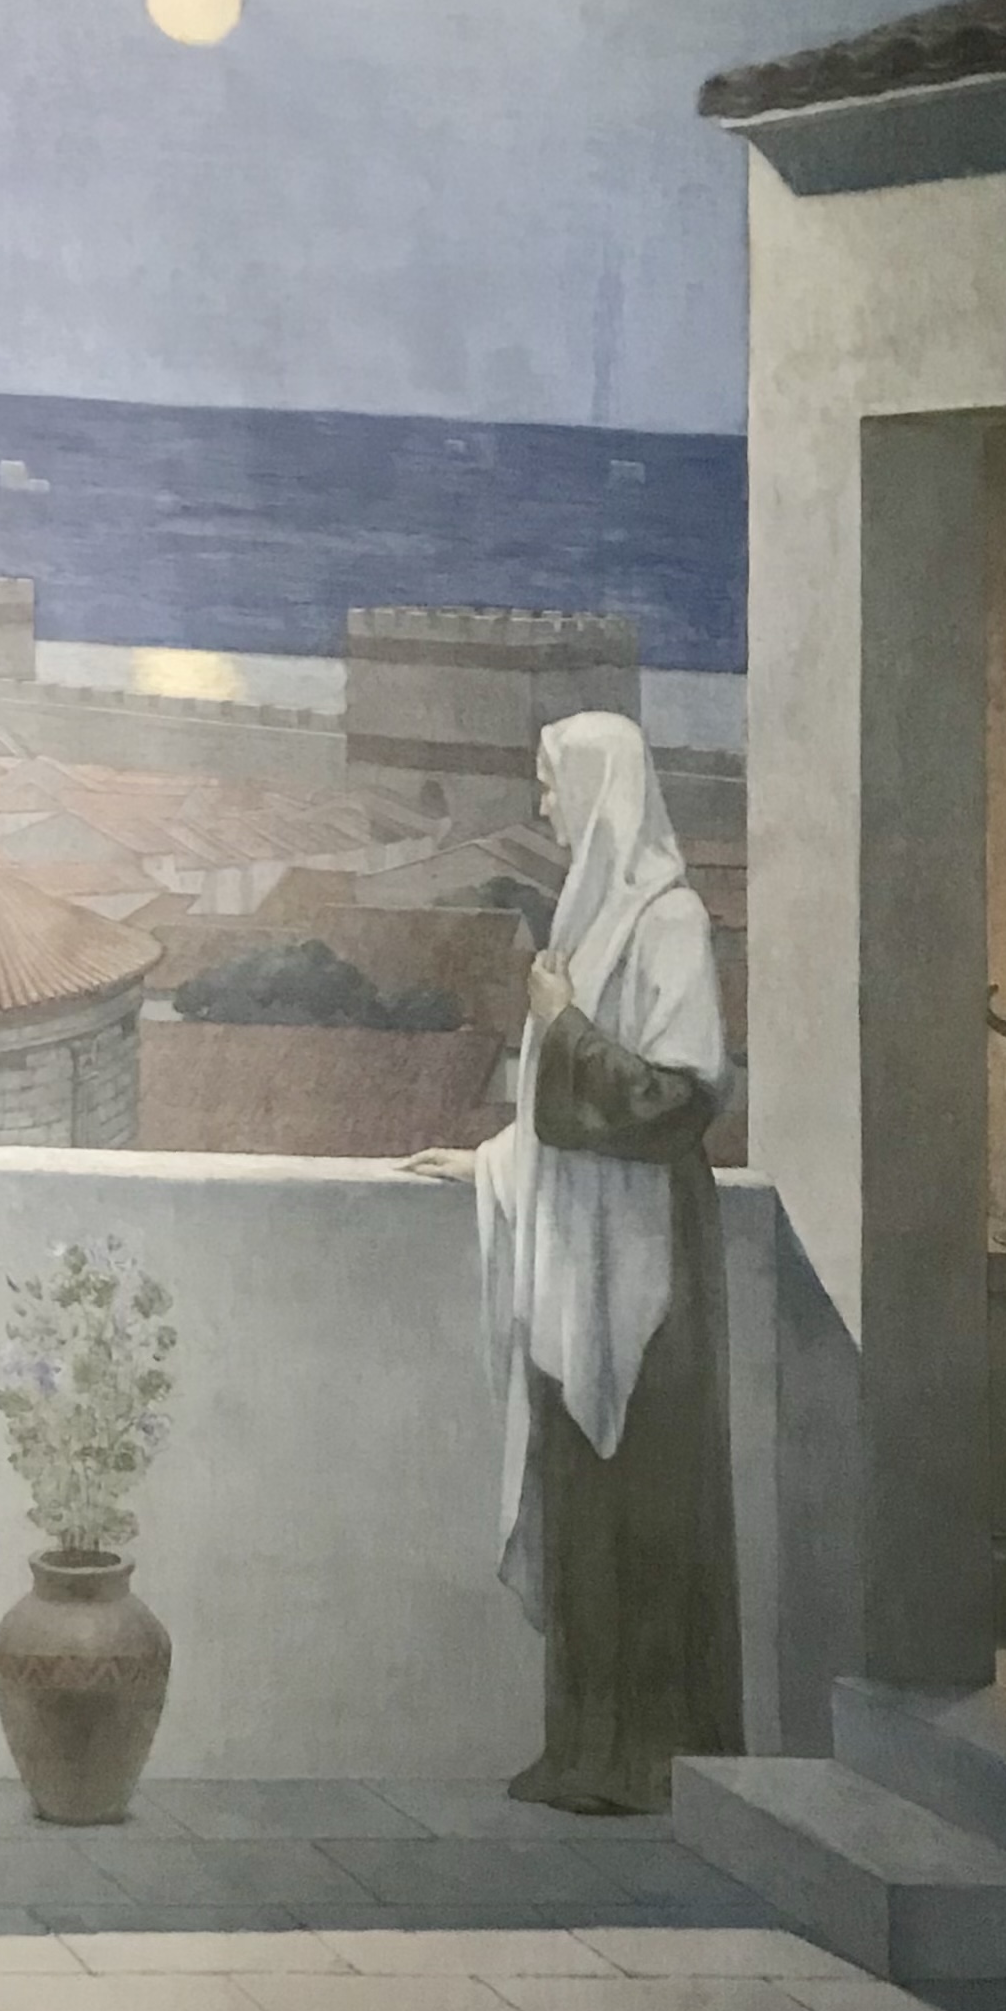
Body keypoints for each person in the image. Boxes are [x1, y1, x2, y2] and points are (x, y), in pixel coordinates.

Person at [407, 712, 742, 1812]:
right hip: (580, 1253)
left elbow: (676, 1100)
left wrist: (562, 1025)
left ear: (600, 792)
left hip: (650, 1265)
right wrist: (492, 1162)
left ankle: (655, 1760)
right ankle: (587, 1753)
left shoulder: (670, 922)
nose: (543, 803)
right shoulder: (589, 920)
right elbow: (568, 1118)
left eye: (553, 783)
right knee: (587, 1505)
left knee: (646, 1509)